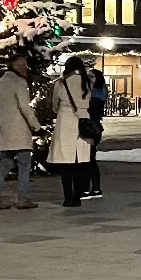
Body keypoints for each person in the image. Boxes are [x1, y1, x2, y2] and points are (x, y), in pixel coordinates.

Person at [0, 54, 40, 210]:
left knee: (5, 164)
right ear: (15, 66)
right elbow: (25, 107)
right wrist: (36, 125)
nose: (26, 68)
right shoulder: (19, 83)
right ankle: (23, 198)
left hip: (4, 130)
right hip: (19, 130)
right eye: (22, 65)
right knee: (24, 165)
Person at [47, 55, 92, 208]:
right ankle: (78, 196)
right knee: (81, 162)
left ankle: (68, 197)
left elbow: (54, 104)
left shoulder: (61, 83)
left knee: (66, 162)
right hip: (83, 121)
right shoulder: (87, 82)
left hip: (66, 121)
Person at [82, 63, 108, 198]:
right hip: (94, 128)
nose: (89, 78)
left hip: (91, 129)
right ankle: (95, 188)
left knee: (88, 159)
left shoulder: (96, 95)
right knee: (90, 159)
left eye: (92, 77)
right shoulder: (95, 93)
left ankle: (88, 188)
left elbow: (94, 114)